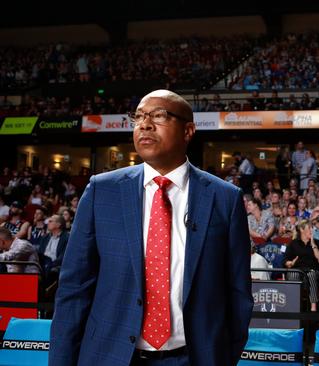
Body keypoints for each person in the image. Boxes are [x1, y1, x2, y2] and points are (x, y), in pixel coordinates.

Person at [50, 90, 253, 366]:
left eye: (159, 116)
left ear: (188, 130)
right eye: (139, 117)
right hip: (110, 356)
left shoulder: (225, 198)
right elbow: (74, 288)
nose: (144, 124)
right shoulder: (102, 191)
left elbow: (238, 293)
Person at [284, 220, 319, 311]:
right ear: (301, 229)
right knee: (294, 274)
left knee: (311, 274)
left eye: (312, 228)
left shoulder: (318, 243)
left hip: (313, 270)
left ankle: (313, 308)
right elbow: (285, 260)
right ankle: (294, 305)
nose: (311, 230)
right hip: (298, 270)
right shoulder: (293, 244)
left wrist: (313, 244)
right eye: (309, 228)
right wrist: (289, 263)